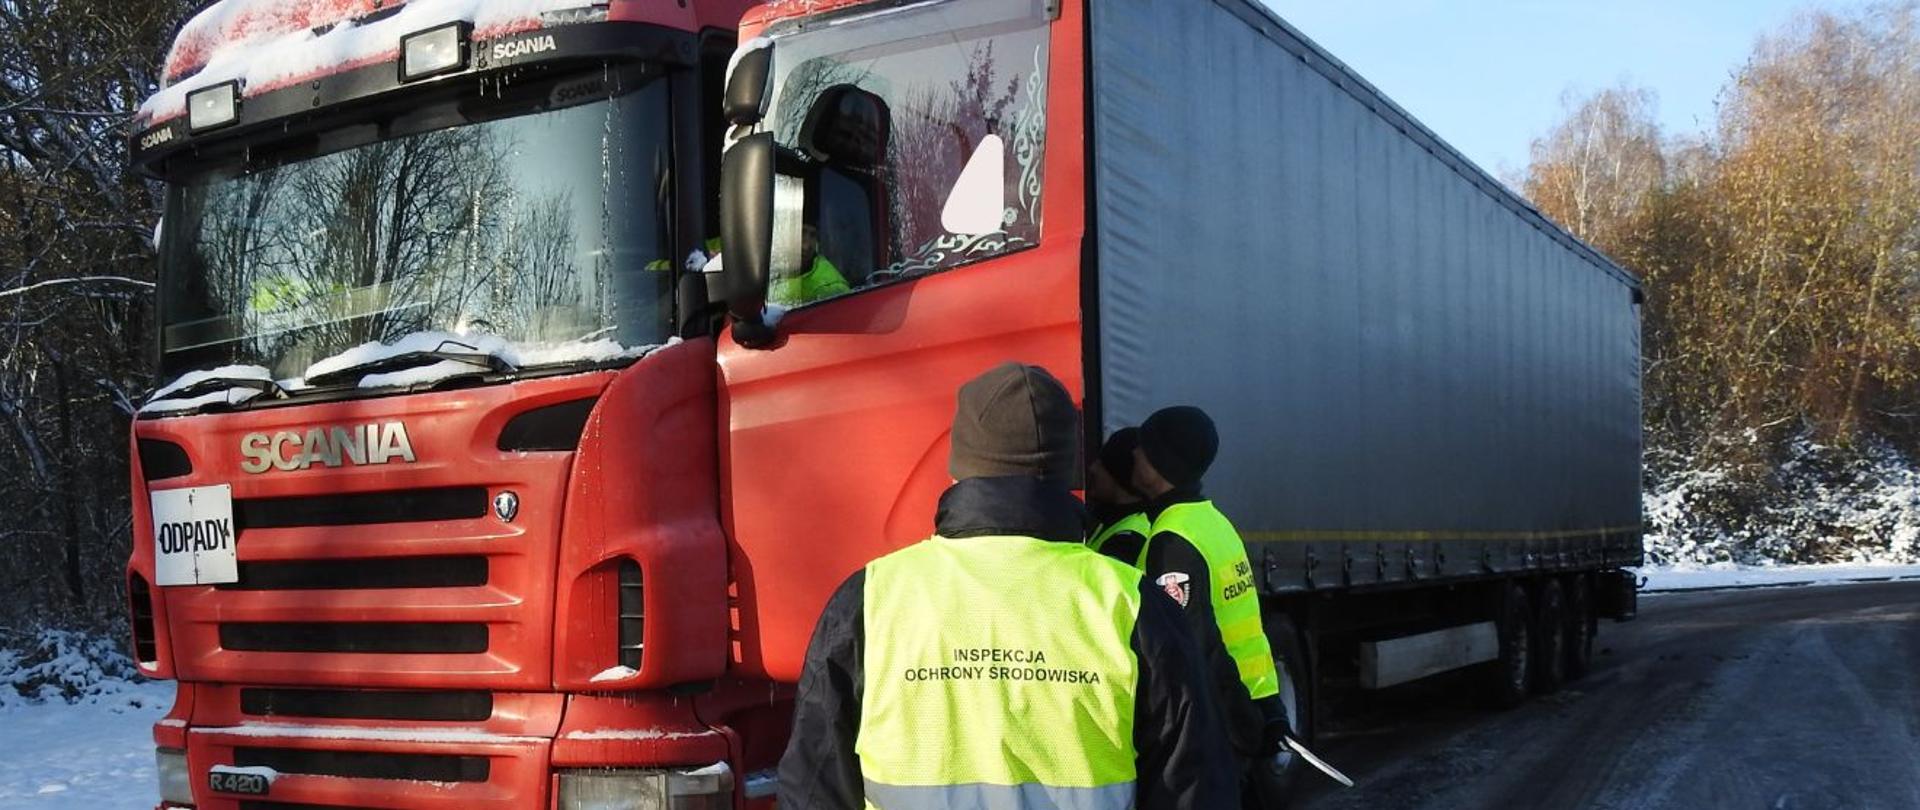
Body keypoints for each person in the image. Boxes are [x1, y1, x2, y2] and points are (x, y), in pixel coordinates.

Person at [777, 363, 1240, 810]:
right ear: (1068, 474)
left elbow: (814, 788)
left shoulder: (870, 600)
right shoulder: (1134, 605)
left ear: (958, 470)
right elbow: (1193, 788)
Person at [1132, 405, 1295, 804]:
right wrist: (1267, 709)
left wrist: (1242, 727)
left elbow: (1194, 648)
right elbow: (1242, 629)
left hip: (1210, 727)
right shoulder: (1213, 523)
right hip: (1239, 710)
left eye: (1143, 448)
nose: (1133, 455)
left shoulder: (1172, 542)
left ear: (1159, 464)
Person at [1086, 427, 1151, 567]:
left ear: (1119, 476)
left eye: (1102, 464)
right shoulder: (1110, 519)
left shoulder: (1127, 540)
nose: (1093, 468)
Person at [769, 224, 851, 306]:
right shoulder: (767, 264)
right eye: (801, 232)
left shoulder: (831, 287)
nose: (806, 246)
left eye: (813, 235)